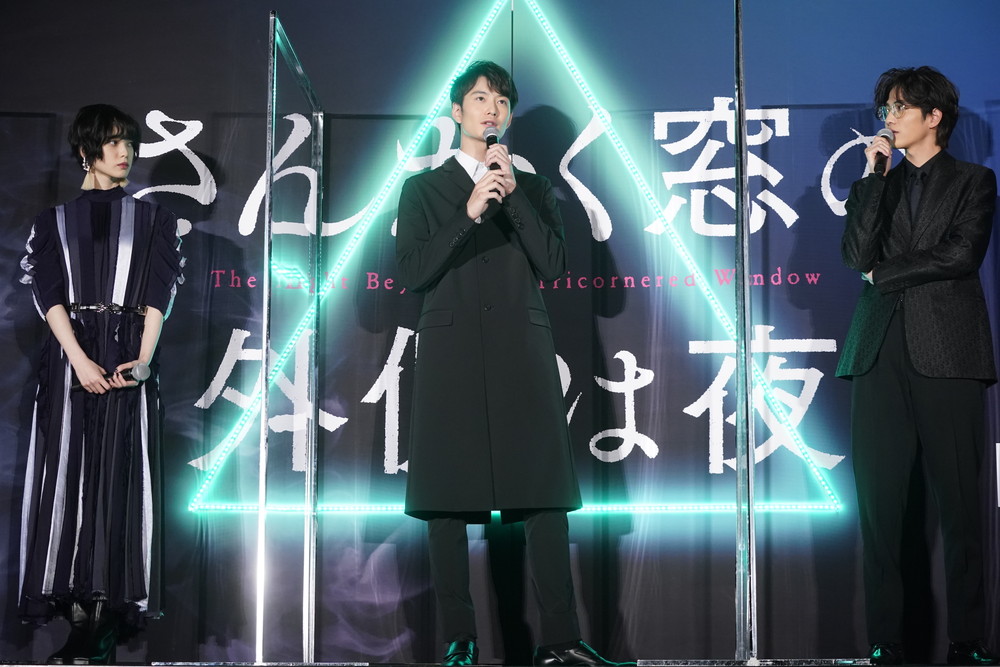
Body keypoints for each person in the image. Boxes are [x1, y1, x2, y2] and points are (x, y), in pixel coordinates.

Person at [396, 61, 631, 667]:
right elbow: (413, 272)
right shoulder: (422, 189)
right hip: (450, 356)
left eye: (502, 101)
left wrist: (513, 194)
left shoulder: (533, 188)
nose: (492, 109)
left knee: (544, 494)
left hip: (520, 352)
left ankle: (561, 640)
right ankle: (459, 640)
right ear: (457, 112)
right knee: (446, 499)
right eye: (480, 98)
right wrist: (469, 211)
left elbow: (553, 265)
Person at [837, 66, 999, 666]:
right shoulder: (877, 181)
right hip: (877, 352)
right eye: (886, 109)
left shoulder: (974, 180)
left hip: (950, 353)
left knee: (960, 506)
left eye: (902, 108)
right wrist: (872, 179)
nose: (890, 118)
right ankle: (887, 639)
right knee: (880, 509)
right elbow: (855, 254)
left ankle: (968, 640)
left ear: (935, 117)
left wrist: (883, 274)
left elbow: (960, 254)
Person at [18, 104, 184, 665]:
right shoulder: (53, 221)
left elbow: (160, 293)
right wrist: (78, 361)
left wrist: (141, 361)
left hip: (127, 357)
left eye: (129, 142)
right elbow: (48, 294)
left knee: (120, 480)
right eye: (113, 142)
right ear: (86, 150)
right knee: (66, 478)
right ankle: (76, 618)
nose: (125, 152)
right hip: (71, 357)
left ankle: (105, 620)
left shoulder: (155, 219)